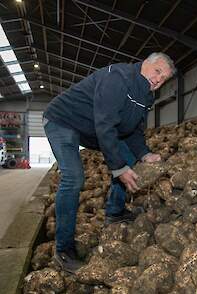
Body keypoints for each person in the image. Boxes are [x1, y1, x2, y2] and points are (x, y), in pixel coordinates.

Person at [43, 52, 176, 273]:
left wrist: (144, 154)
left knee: (130, 156)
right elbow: (105, 126)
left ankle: (114, 212)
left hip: (90, 127)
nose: (159, 79)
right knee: (73, 178)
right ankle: (63, 249)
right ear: (145, 64)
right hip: (63, 120)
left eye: (164, 79)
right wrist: (118, 168)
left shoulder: (146, 96)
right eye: (158, 71)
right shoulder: (118, 77)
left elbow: (133, 130)